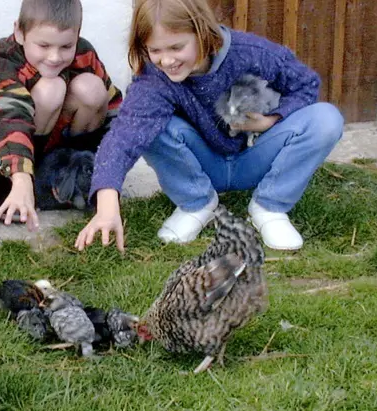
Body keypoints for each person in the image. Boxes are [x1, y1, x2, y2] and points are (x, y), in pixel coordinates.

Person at [75, 0, 344, 253]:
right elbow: (123, 137)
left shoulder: (252, 53)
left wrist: (271, 120)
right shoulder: (154, 79)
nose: (166, 61)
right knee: (148, 125)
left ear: (202, 32)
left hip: (256, 158)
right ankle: (196, 204)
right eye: (155, 50)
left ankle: (270, 207)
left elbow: (306, 84)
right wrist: (107, 202)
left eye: (176, 47)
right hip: (203, 166)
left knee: (326, 119)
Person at [0, 0, 122, 231]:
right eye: (44, 45)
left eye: (66, 46)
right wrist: (20, 176)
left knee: (93, 89)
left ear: (77, 35)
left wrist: (113, 165)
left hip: (58, 146)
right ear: (20, 32)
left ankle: (74, 174)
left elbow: (114, 107)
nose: (54, 57)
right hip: (10, 152)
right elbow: (10, 117)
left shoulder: (84, 53)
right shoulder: (3, 62)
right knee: (50, 90)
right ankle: (20, 189)